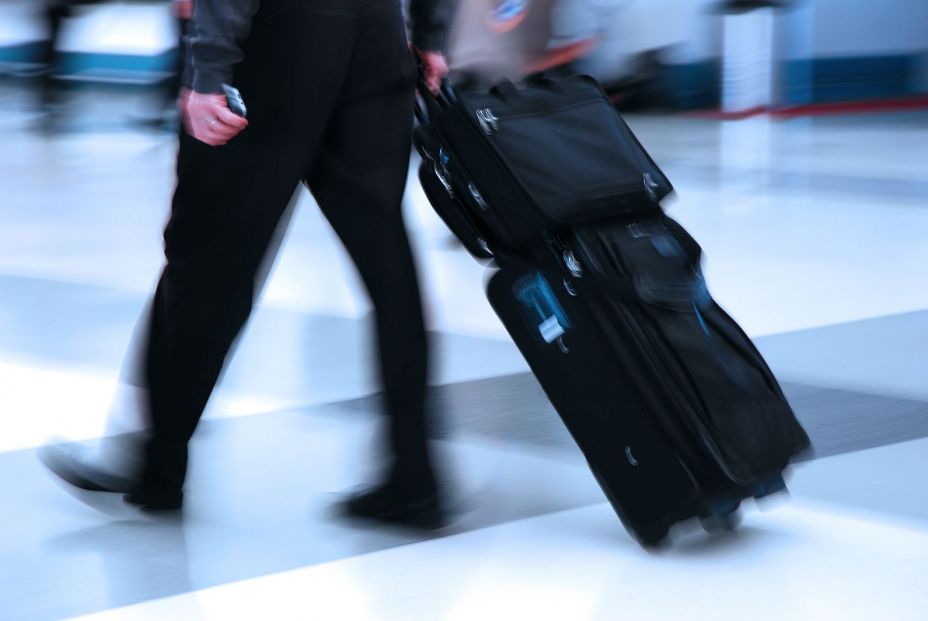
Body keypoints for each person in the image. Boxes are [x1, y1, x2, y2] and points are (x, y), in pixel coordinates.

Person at [41, 0, 455, 529]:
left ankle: (157, 466)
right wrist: (430, 32)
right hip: (377, 39)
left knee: (207, 254)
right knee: (387, 258)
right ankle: (415, 476)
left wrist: (208, 71)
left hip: (280, 41)